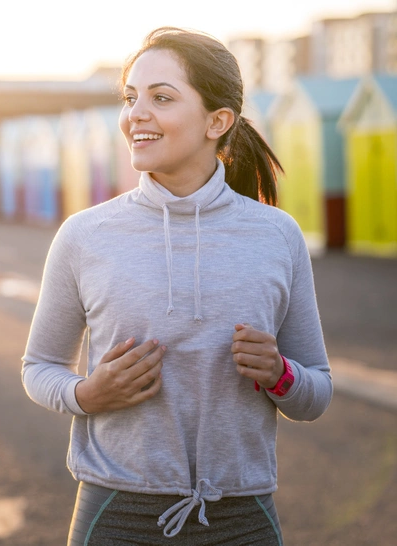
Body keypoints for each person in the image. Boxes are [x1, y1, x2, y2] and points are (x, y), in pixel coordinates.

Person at [21, 27, 332, 546]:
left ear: (218, 121)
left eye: (161, 97)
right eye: (130, 97)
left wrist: (280, 375)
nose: (135, 114)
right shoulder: (84, 235)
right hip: (115, 513)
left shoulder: (277, 236)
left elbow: (316, 393)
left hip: (242, 517)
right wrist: (85, 393)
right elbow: (39, 367)